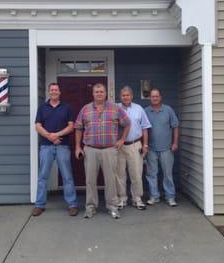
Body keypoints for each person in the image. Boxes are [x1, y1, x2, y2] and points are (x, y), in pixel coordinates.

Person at [75, 83, 130, 219]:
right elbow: (78, 128)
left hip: (109, 150)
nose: (99, 94)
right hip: (90, 150)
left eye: (101, 91)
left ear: (105, 93)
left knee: (111, 180)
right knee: (90, 180)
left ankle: (112, 207)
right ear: (93, 94)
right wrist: (77, 147)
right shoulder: (85, 109)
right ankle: (90, 207)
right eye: (96, 92)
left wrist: (122, 139)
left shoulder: (115, 108)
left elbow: (127, 123)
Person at [32, 83, 78, 217]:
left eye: (56, 90)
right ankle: (39, 205)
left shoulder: (67, 107)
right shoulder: (42, 108)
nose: (54, 92)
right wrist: (50, 137)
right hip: (46, 147)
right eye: (51, 90)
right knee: (42, 177)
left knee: (67, 176)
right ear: (48, 92)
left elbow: (71, 126)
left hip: (63, 147)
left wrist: (56, 135)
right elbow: (38, 126)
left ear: (60, 92)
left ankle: (72, 204)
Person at [116, 86, 151, 210]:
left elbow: (145, 127)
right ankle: (122, 199)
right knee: (119, 174)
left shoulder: (139, 109)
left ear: (132, 96)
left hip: (135, 144)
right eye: (123, 95)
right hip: (119, 147)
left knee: (136, 173)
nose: (125, 97)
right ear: (120, 97)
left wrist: (145, 144)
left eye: (128, 95)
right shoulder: (116, 108)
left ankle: (137, 199)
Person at [144, 88, 179, 207]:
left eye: (156, 96)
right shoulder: (146, 111)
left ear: (160, 97)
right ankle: (154, 196)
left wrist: (175, 143)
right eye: (152, 96)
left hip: (167, 148)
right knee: (151, 174)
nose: (154, 98)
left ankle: (170, 197)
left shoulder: (168, 110)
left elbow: (175, 126)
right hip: (151, 149)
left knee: (167, 174)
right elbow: (143, 129)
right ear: (149, 98)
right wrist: (145, 145)